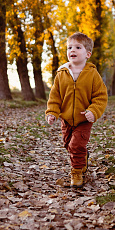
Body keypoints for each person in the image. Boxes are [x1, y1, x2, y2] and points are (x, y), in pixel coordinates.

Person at [46, 32, 108, 188]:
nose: (72, 50)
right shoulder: (61, 74)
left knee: (76, 145)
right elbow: (55, 96)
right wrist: (52, 112)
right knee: (68, 145)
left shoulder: (92, 74)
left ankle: (77, 172)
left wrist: (93, 111)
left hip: (83, 119)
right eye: (69, 47)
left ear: (87, 54)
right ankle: (82, 158)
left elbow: (100, 96)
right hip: (66, 119)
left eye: (77, 47)